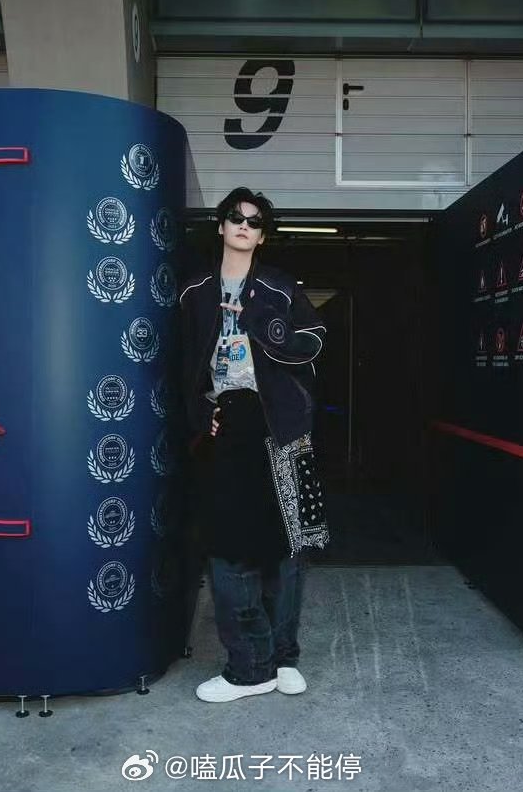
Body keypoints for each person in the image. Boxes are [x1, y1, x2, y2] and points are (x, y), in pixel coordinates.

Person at [178, 187, 330, 703]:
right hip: (228, 424)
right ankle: (249, 665)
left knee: (286, 547)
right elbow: (183, 364)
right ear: (221, 225)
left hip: (281, 427)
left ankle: (282, 657)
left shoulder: (279, 287)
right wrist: (201, 415)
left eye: (255, 220)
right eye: (236, 217)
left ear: (263, 234)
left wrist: (261, 326)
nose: (245, 225)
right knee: (229, 547)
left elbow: (313, 341)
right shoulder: (195, 290)